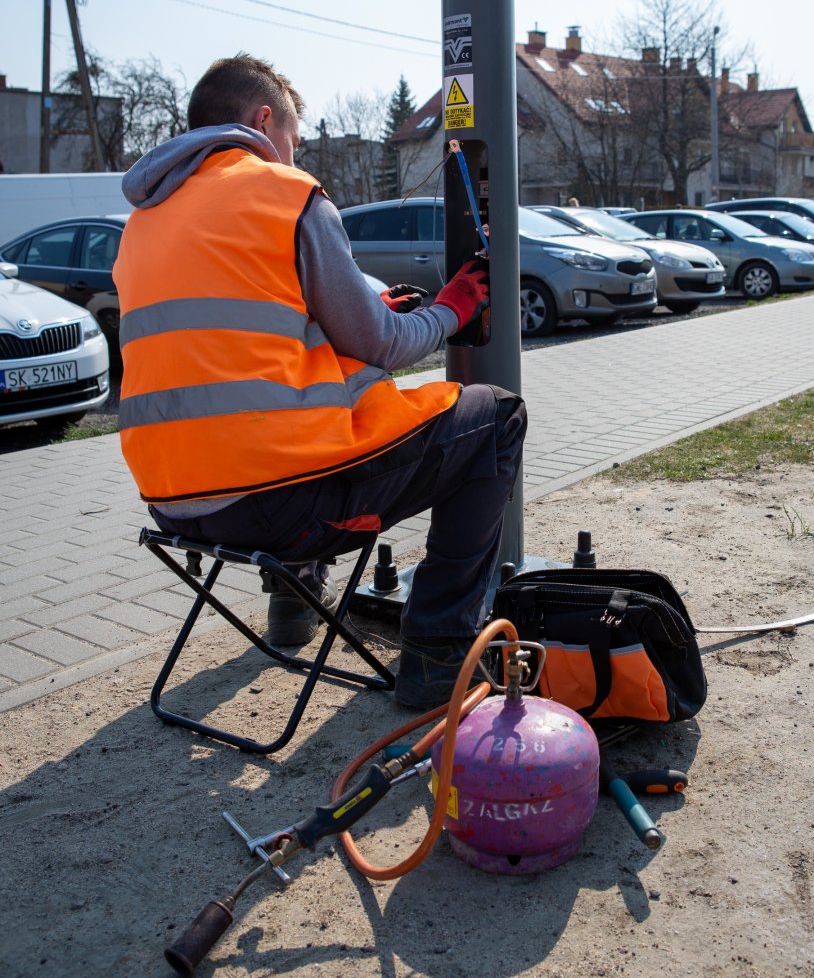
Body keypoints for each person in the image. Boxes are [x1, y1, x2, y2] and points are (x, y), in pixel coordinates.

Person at [113, 54, 526, 710]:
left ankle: (293, 611)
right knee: (496, 417)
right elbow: (381, 346)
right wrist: (451, 308)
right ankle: (438, 656)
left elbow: (246, 343)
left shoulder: (145, 223)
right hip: (281, 508)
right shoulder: (287, 194)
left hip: (174, 503)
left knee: (294, 431)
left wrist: (363, 312)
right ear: (264, 119)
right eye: (294, 142)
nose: (291, 155)